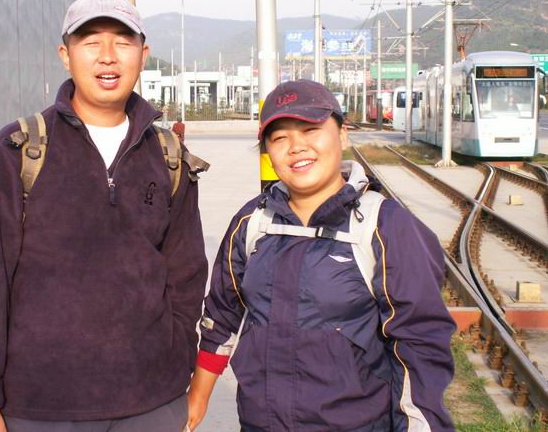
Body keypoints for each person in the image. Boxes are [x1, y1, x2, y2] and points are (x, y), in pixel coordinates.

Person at [0, 0, 208, 431]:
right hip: (39, 407)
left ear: (143, 55)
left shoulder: (167, 155)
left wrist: (177, 356)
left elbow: (186, 273)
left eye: (122, 42)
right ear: (65, 55)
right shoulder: (18, 150)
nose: (107, 56)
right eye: (90, 41)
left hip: (151, 403)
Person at [186, 80, 456, 431]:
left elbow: (420, 345)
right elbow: (223, 316)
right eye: (279, 138)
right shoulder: (252, 222)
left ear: (342, 135)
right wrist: (198, 398)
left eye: (310, 130)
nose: (296, 147)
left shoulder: (387, 227)